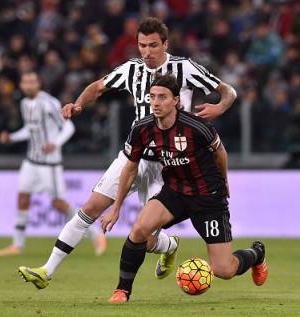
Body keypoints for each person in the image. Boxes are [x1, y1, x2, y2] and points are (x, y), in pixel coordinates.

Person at [17, 17, 236, 290]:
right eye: (142, 45)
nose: (146, 52)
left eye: (153, 45)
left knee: (145, 237)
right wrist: (78, 104)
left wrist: (220, 107)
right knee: (90, 208)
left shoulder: (185, 68)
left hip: (170, 164)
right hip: (134, 154)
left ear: (165, 44)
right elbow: (97, 87)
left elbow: (228, 91)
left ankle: (168, 246)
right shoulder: (131, 69)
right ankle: (46, 271)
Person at [101, 74, 268, 303]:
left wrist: (224, 180)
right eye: (152, 97)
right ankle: (122, 291)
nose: (156, 102)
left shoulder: (197, 127)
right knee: (139, 230)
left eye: (162, 97)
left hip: (207, 196)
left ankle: (256, 254)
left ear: (176, 101)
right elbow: (130, 169)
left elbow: (220, 153)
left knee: (223, 269)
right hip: (175, 191)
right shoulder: (142, 129)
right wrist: (116, 207)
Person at [0, 71, 106, 257]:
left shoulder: (49, 104)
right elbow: (30, 130)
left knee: (58, 203)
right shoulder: (24, 103)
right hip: (31, 161)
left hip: (50, 164)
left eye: (32, 81)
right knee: (23, 198)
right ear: (21, 85)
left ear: (39, 83)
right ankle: (17, 244)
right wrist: (12, 138)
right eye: (25, 82)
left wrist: (55, 143)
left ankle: (96, 235)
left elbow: (69, 127)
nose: (29, 85)